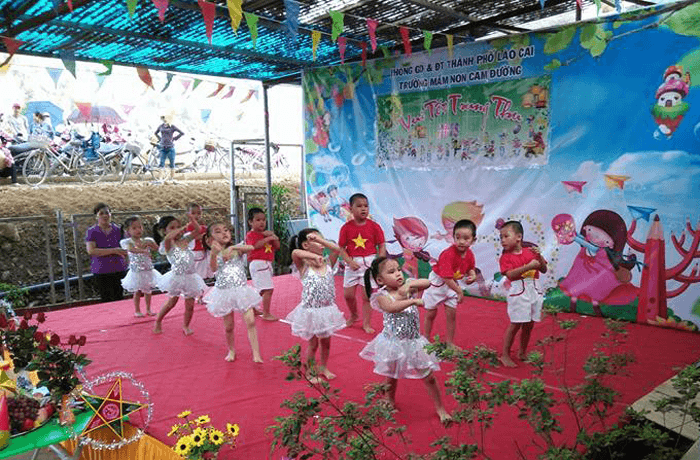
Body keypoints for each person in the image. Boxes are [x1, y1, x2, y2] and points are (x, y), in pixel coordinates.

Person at [361, 257, 451, 423]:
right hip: (392, 343)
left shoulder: (408, 285)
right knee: (391, 375)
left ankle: (440, 408)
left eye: (398, 269)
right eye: (391, 272)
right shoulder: (381, 296)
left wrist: (409, 286)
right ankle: (389, 400)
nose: (397, 274)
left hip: (414, 343)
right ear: (380, 280)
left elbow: (427, 282)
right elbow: (391, 308)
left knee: (429, 377)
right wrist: (412, 300)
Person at [286, 228, 346, 383]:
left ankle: (323, 367)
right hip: (311, 311)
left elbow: (337, 249)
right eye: (315, 241)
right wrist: (314, 256)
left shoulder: (328, 262)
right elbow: (295, 253)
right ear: (306, 245)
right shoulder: (304, 266)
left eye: (322, 240)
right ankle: (310, 372)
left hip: (327, 310)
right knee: (313, 344)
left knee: (326, 343)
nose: (321, 244)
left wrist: (320, 240)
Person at [203, 222, 263, 363]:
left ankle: (256, 353)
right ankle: (231, 350)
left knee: (250, 321)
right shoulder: (213, 253)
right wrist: (214, 253)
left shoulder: (237, 249)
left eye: (226, 230)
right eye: (218, 231)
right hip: (224, 292)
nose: (224, 233)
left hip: (242, 290)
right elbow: (213, 269)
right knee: (229, 327)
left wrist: (233, 247)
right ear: (210, 239)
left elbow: (251, 247)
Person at [499, 220, 548, 368]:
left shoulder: (531, 252)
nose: (502, 240)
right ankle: (505, 355)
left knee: (529, 324)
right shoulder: (505, 257)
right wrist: (528, 266)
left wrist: (540, 257)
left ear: (518, 237)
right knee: (516, 324)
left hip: (534, 290)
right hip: (518, 292)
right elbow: (510, 275)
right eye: (501, 237)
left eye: (506, 236)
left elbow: (543, 269)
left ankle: (522, 352)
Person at [422, 219, 477, 347]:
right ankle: (425, 339)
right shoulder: (448, 254)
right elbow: (446, 278)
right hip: (438, 283)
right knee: (431, 313)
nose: (461, 241)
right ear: (453, 238)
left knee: (451, 314)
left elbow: (470, 268)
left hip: (452, 284)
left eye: (466, 238)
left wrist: (473, 276)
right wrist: (459, 291)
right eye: (457, 237)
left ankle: (450, 343)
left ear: (473, 240)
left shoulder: (469, 254)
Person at [339, 193, 386, 333]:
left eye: (366, 206)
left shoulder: (374, 226)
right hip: (353, 264)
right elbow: (341, 248)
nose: (363, 209)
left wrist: (379, 262)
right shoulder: (346, 228)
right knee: (348, 295)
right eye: (359, 206)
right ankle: (354, 314)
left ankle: (366, 323)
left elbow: (381, 244)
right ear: (350, 209)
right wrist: (349, 261)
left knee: (366, 296)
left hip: (370, 264)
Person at [152, 215, 206, 335]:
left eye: (178, 226)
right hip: (177, 277)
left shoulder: (185, 240)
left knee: (190, 305)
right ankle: (158, 320)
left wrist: (193, 220)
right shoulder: (167, 243)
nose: (177, 230)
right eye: (172, 228)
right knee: (172, 302)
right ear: (164, 231)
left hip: (190, 276)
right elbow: (168, 237)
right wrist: (180, 228)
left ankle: (186, 325)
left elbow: (198, 230)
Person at [85, 203, 128, 302]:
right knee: (106, 299)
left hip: (119, 268)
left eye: (107, 213)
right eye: (101, 213)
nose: (105, 216)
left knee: (119, 298)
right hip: (101, 270)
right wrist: (114, 250)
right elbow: (91, 250)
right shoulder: (92, 231)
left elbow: (126, 247)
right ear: (96, 216)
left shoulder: (118, 230)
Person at [120, 216, 161, 317]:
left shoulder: (147, 240)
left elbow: (157, 249)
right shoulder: (128, 242)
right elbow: (132, 249)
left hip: (148, 269)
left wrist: (153, 245)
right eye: (134, 228)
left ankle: (148, 309)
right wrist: (143, 250)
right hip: (136, 271)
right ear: (128, 230)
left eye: (140, 227)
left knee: (148, 291)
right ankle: (137, 310)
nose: (138, 230)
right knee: (137, 291)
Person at [245, 208, 280, 321]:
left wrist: (274, 237)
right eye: (258, 220)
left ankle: (252, 307)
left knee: (260, 289)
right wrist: (267, 237)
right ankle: (266, 313)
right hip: (258, 263)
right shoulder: (251, 234)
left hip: (265, 264)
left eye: (264, 220)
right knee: (268, 289)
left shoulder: (267, 234)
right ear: (250, 222)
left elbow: (277, 246)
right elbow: (255, 245)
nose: (262, 222)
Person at [184, 203, 211, 304]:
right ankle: (196, 295)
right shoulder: (189, 227)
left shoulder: (204, 227)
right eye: (193, 213)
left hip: (203, 253)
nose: (196, 215)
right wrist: (203, 236)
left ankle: (200, 295)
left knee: (202, 276)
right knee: (197, 276)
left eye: (199, 213)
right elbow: (193, 238)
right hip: (195, 253)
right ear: (188, 214)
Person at [154, 115, 184, 183]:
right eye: (163, 118)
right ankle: (160, 179)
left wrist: (174, 138)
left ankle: (172, 178)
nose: (164, 120)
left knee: (172, 163)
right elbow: (155, 133)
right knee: (161, 163)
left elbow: (182, 133)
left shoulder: (172, 126)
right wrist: (160, 139)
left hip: (170, 147)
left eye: (166, 118)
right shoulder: (161, 126)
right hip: (163, 147)